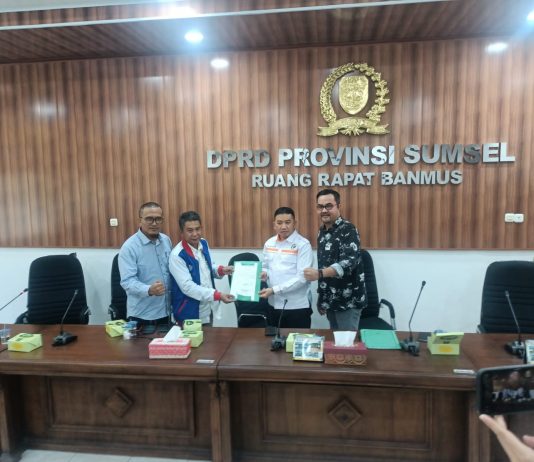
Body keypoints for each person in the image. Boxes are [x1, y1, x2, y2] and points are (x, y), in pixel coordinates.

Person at [303, 189, 367, 331]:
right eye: (320, 206)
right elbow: (324, 264)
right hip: (331, 300)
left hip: (348, 302)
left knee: (346, 342)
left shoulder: (348, 229)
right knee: (335, 339)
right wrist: (322, 297)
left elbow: (348, 263)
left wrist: (319, 273)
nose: (324, 210)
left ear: (339, 206)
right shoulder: (322, 231)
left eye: (328, 206)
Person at [169, 211, 234, 325]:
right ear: (182, 232)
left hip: (208, 309)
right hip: (188, 314)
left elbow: (208, 268)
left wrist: (221, 270)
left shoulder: (203, 243)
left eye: (197, 229)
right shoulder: (177, 255)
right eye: (190, 230)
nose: (195, 234)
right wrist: (217, 295)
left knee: (210, 336)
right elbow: (187, 287)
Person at [118, 201, 172, 328]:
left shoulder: (166, 240)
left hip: (166, 312)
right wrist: (149, 290)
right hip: (142, 316)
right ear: (140, 221)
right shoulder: (129, 247)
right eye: (149, 219)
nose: (154, 223)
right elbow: (127, 282)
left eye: (158, 219)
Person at [259, 207, 313, 328]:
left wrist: (274, 290)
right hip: (273, 304)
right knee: (274, 339)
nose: (283, 226)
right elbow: (266, 266)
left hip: (297, 307)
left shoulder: (303, 245)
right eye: (279, 223)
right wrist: (264, 273)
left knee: (297, 339)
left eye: (288, 222)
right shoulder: (269, 243)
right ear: (274, 225)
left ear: (295, 223)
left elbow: (302, 278)